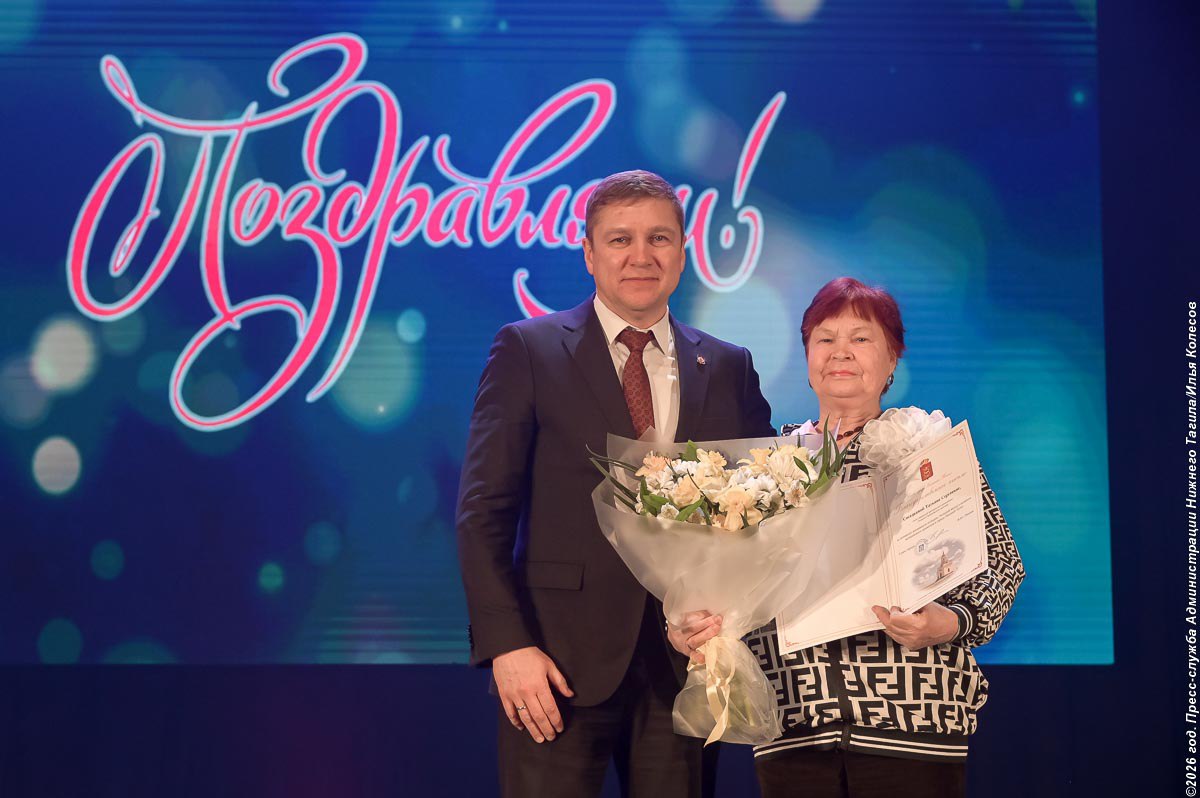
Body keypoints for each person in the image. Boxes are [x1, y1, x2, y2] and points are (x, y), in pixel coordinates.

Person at [456, 170, 776, 797]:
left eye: (659, 238)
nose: (640, 256)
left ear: (682, 251)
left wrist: (732, 617)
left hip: (686, 668)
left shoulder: (728, 365)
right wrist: (507, 646)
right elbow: (483, 513)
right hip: (555, 664)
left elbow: (765, 514)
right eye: (620, 239)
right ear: (589, 253)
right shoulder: (529, 350)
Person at [667, 277, 1026, 798]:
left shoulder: (931, 449)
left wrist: (947, 623)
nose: (841, 352)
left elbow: (1000, 568)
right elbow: (722, 585)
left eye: (861, 338)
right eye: (825, 338)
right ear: (807, 355)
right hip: (794, 726)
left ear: (892, 358)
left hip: (914, 723)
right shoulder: (762, 468)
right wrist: (697, 624)